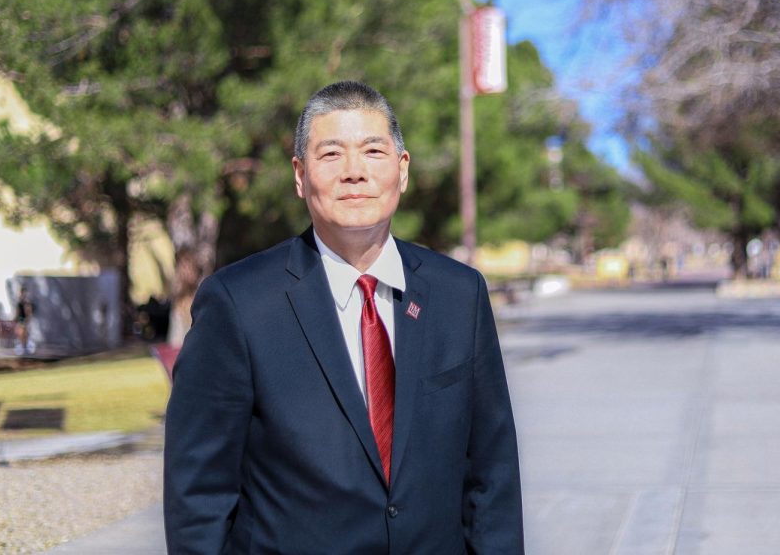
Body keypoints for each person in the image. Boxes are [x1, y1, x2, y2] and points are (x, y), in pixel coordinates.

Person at [164, 81, 523, 554]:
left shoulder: (459, 295)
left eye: (373, 151)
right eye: (331, 155)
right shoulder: (239, 303)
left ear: (402, 169)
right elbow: (198, 495)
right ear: (299, 175)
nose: (354, 172)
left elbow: (491, 477)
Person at [14, 286, 36, 355]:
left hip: (25, 321)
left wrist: (27, 320)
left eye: (23, 293)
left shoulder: (27, 303)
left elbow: (29, 313)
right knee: (21, 335)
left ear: (25, 293)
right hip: (21, 321)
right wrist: (15, 320)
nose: (21, 295)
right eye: (20, 293)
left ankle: (27, 348)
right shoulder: (19, 303)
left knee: (25, 334)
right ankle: (23, 348)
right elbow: (17, 314)